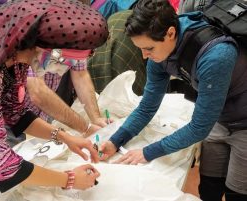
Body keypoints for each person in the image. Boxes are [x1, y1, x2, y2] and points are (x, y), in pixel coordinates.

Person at [0, 0, 108, 200]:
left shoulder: (16, 57)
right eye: (60, 61)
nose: (59, 70)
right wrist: (69, 179)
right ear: (42, 47)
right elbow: (1, 164)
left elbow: (15, 115)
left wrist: (65, 137)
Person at [99, 0, 247, 201]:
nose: (145, 56)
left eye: (149, 48)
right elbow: (147, 107)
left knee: (236, 192)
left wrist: (147, 152)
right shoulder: (159, 54)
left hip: (244, 123)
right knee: (209, 187)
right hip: (219, 118)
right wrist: (116, 140)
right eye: (141, 49)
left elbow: (198, 128)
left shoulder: (216, 56)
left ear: (170, 33)